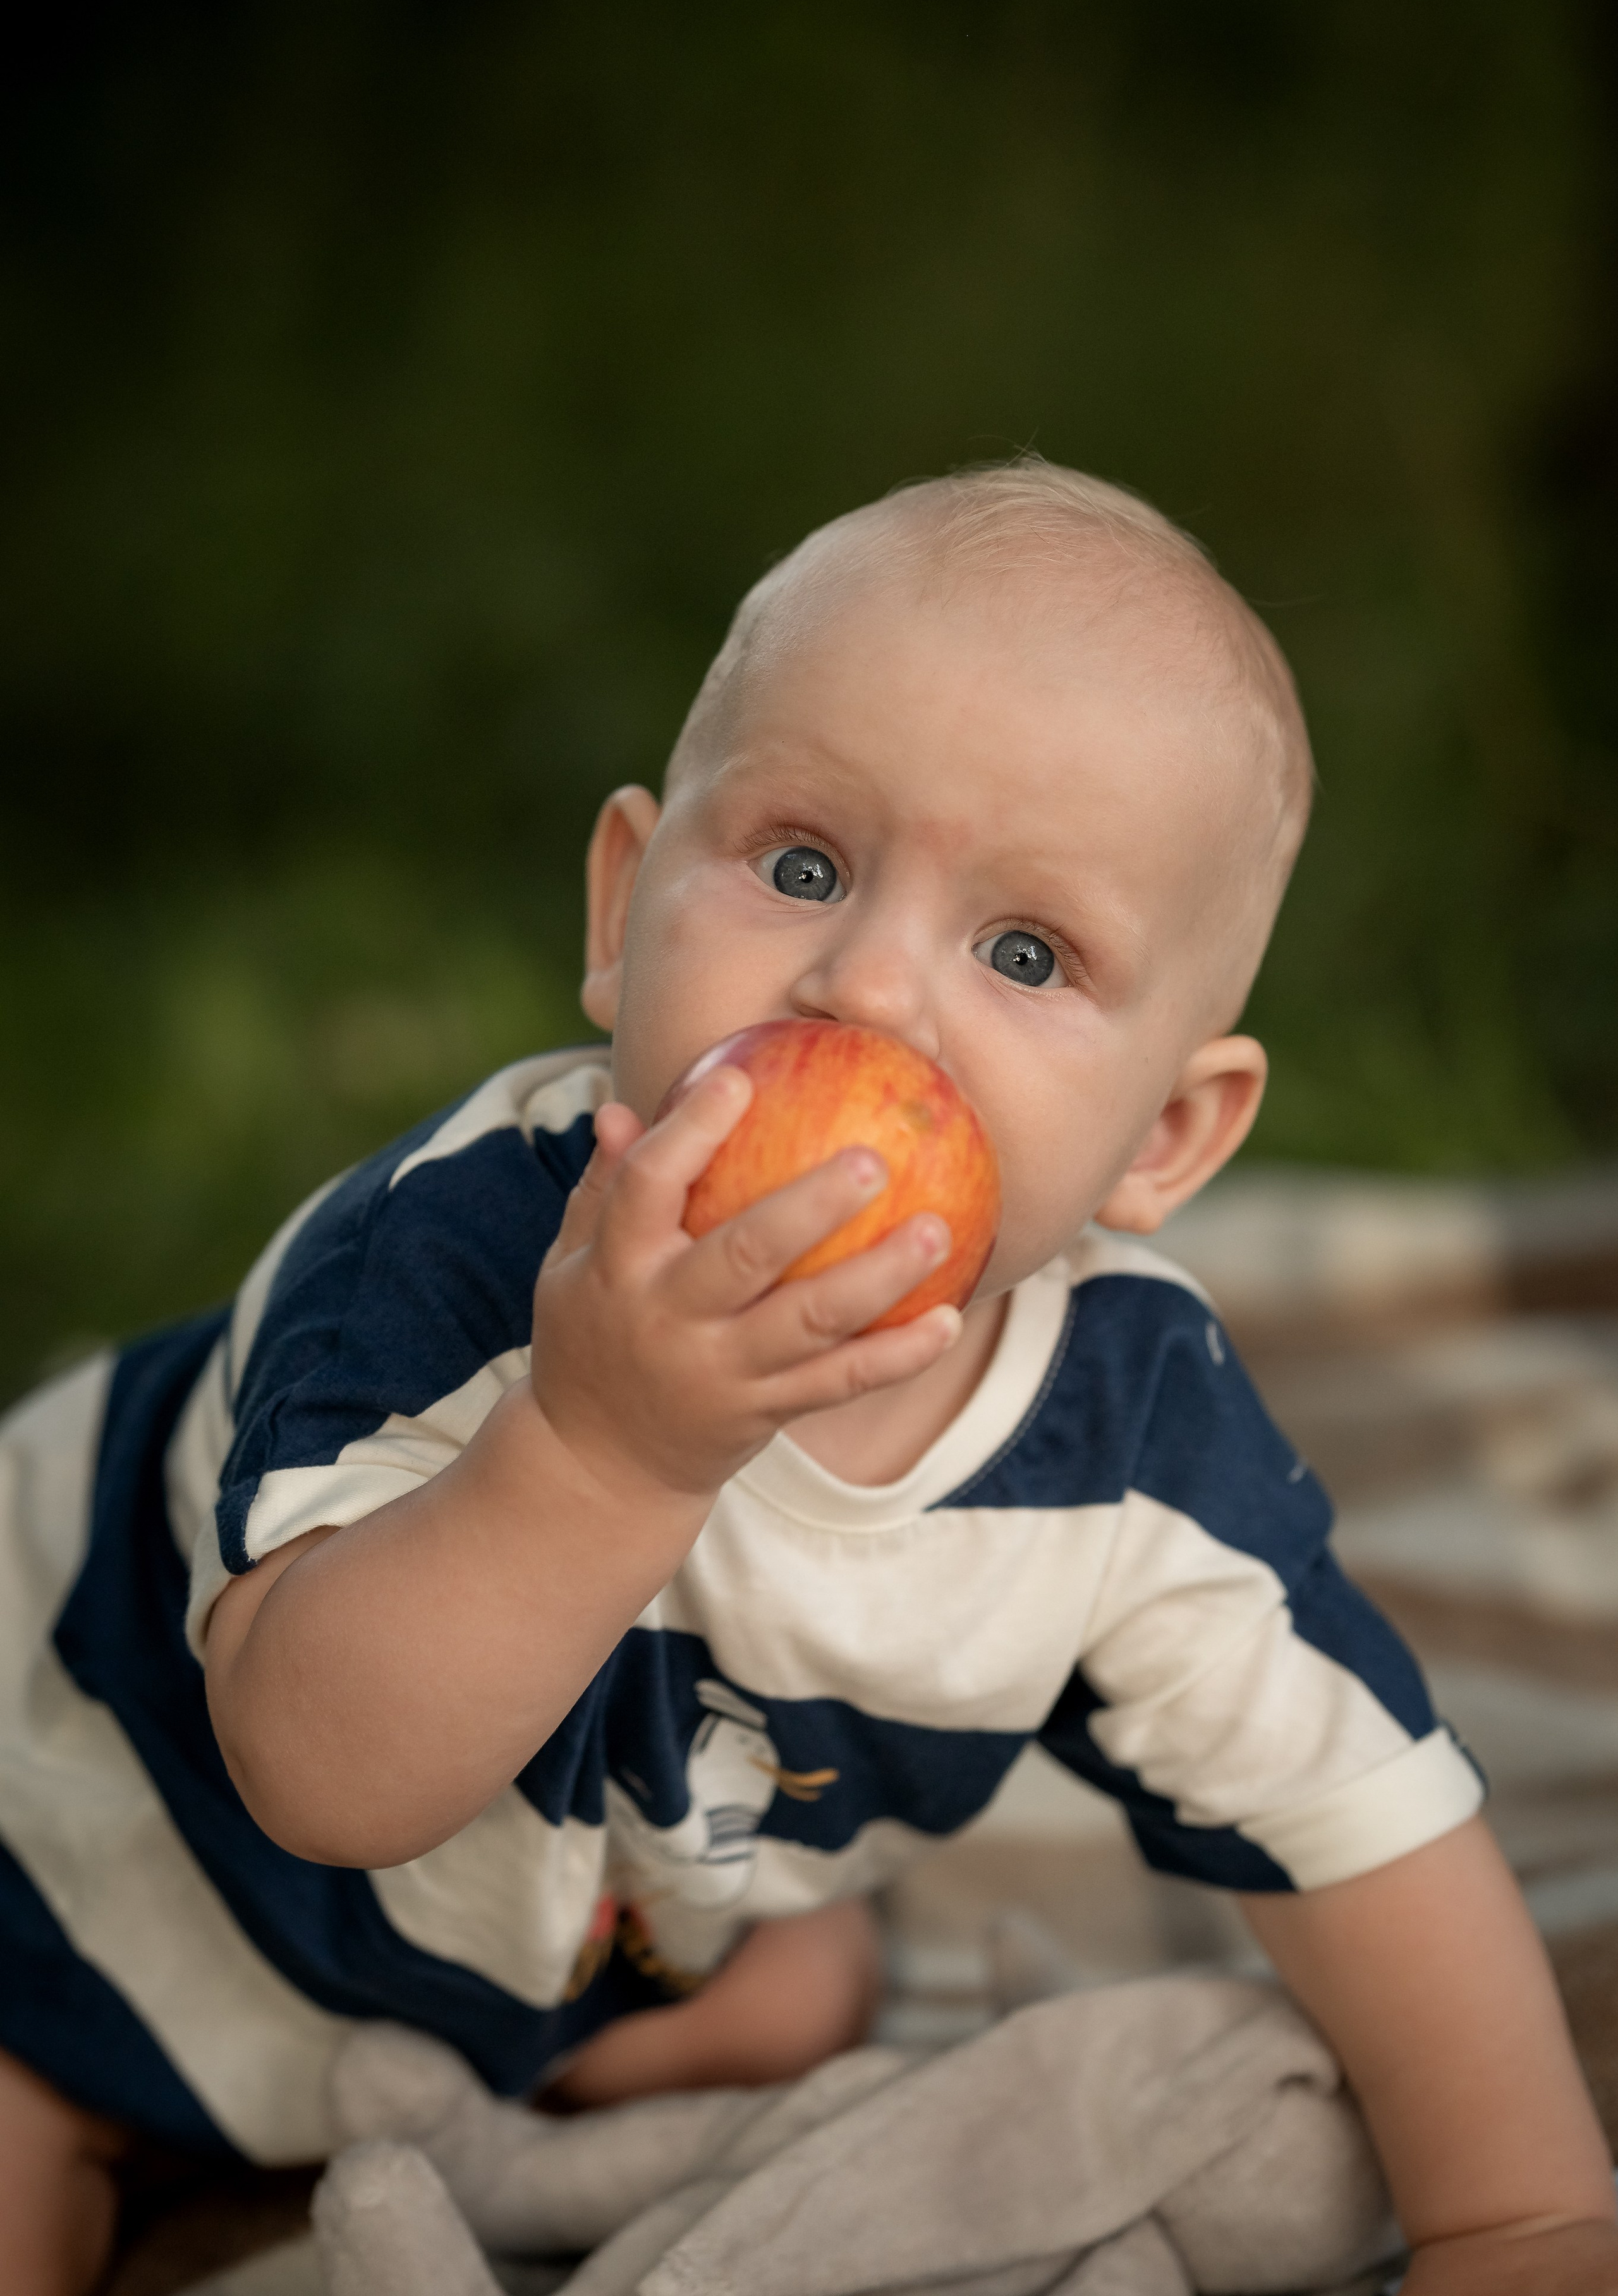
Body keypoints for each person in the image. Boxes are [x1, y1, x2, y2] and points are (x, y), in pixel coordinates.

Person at [2, 461, 1614, 2296]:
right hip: (93, 1821)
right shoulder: (452, 1250)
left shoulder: (1131, 1437)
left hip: (538, 1936)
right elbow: (317, 1768)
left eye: (1026, 952)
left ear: (1165, 1134)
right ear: (626, 908)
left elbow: (1366, 1825)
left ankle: (598, 2003)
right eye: (801, 865)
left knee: (787, 1993)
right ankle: (98, 2109)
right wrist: (602, 1454)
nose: (867, 988)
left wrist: (1521, 2210)